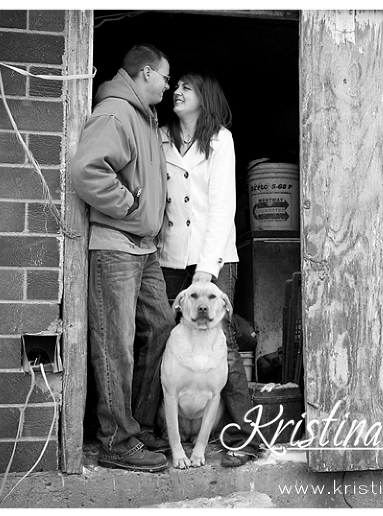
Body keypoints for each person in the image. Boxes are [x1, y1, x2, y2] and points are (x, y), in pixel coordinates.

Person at [70, 43, 176, 472]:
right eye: (166, 77)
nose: (169, 86)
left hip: (143, 247)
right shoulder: (116, 112)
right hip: (116, 242)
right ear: (147, 73)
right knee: (116, 343)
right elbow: (86, 172)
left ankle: (138, 425)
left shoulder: (144, 119)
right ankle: (116, 439)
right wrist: (131, 207)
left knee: (161, 325)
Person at [158, 70, 259, 467]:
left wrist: (206, 268)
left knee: (226, 349)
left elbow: (222, 209)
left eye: (186, 87)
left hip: (213, 255)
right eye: (176, 86)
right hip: (168, 255)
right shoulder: (159, 135)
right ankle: (156, 433)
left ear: (206, 97)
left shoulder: (221, 140)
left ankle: (247, 438)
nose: (176, 92)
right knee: (160, 340)